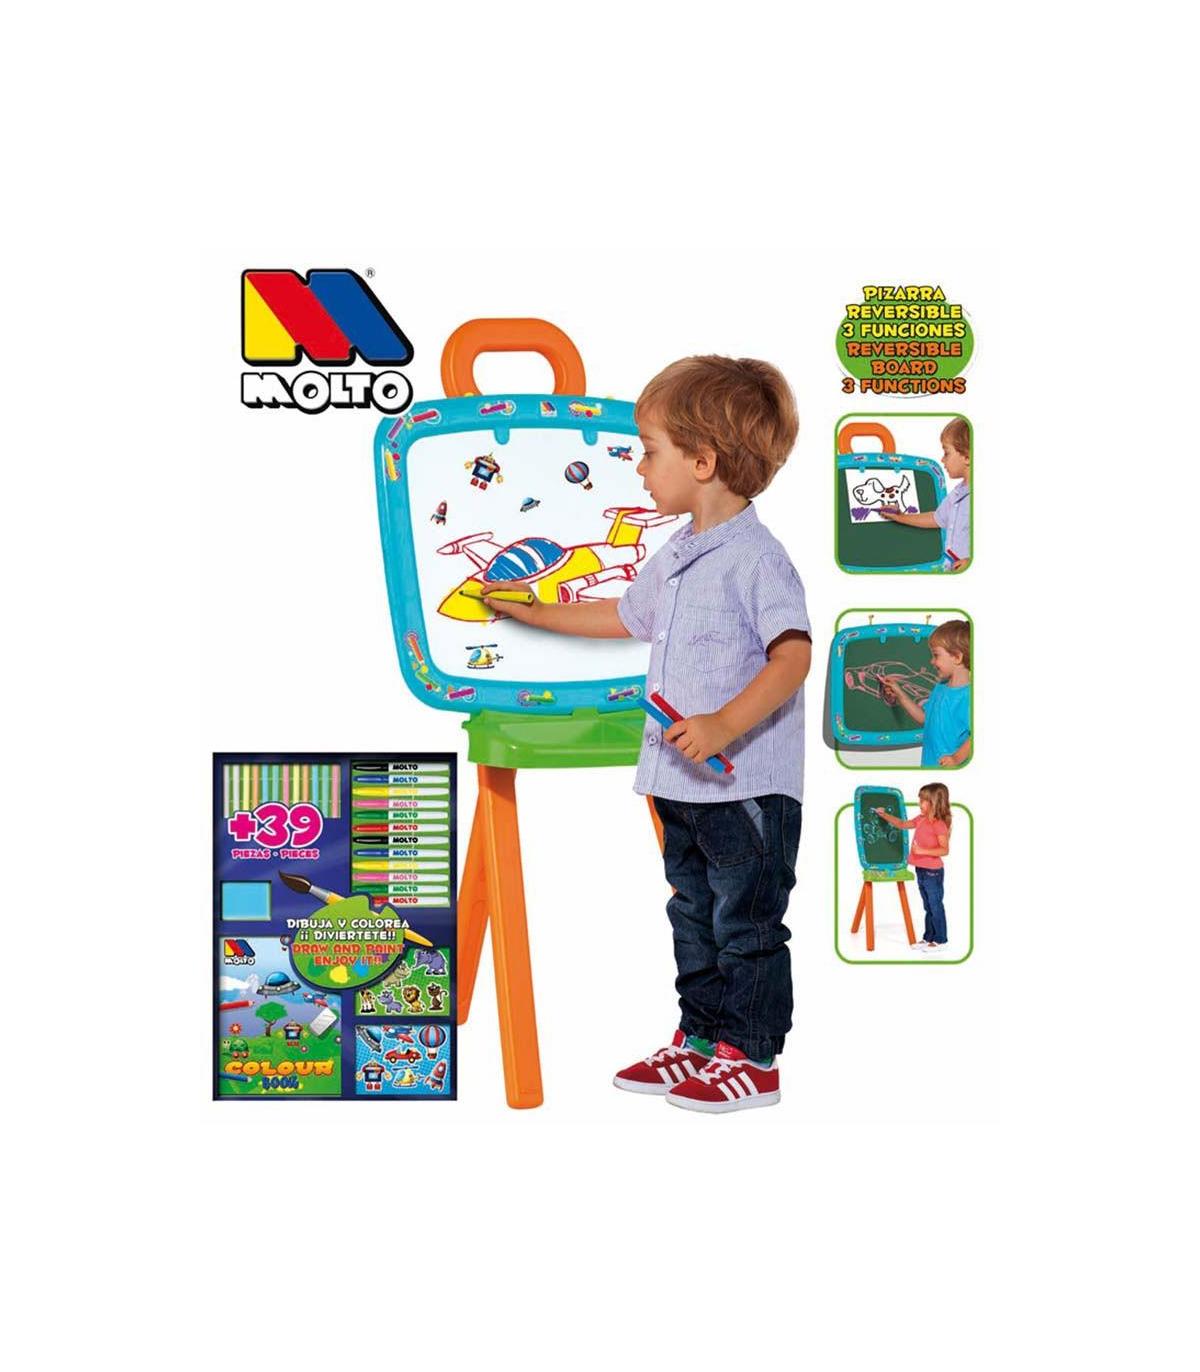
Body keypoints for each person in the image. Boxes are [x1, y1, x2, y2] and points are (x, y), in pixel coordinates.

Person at [484, 355, 811, 1113]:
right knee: (692, 915)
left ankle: (752, 1058)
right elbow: (625, 617)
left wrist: (725, 722)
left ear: (704, 462)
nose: (638, 466)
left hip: (746, 791)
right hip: (680, 785)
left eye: (650, 450)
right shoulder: (681, 551)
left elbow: (793, 655)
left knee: (746, 925)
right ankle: (701, 1039)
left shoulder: (757, 559)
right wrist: (531, 610)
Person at [879, 417, 971, 570]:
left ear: (967, 457)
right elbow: (936, 518)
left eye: (946, 453)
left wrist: (971, 561)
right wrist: (900, 516)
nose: (942, 459)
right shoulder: (957, 493)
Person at [881, 618, 971, 767]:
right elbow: (924, 718)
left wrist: (956, 758)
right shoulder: (940, 687)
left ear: (957, 657)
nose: (932, 661)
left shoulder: (969, 697)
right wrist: (900, 694)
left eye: (936, 655)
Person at [875, 784, 952, 950]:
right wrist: (884, 815)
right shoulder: (921, 819)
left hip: (933, 872)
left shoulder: (938, 824)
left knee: (935, 906)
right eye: (920, 799)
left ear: (934, 802)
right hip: (921, 870)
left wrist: (921, 850)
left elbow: (944, 850)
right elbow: (902, 824)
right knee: (928, 906)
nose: (919, 803)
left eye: (923, 800)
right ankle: (928, 938)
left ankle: (941, 940)